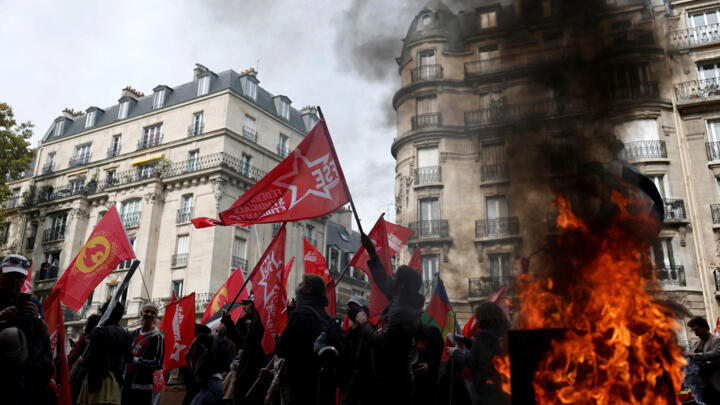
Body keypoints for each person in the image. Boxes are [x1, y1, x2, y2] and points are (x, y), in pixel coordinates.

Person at [354, 234, 424, 405]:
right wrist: (372, 253)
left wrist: (363, 323)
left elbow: (382, 342)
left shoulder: (403, 313)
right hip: (390, 380)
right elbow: (383, 280)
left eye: (395, 276)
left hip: (392, 385)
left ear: (401, 286)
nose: (391, 277)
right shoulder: (400, 301)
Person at [276, 274, 343, 405]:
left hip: (298, 385)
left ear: (308, 289)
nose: (298, 287)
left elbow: (282, 348)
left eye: (301, 284)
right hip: (321, 387)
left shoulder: (300, 316)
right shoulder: (329, 320)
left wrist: (278, 339)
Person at [0, 254, 54, 405]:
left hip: (25, 383)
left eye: (20, 277)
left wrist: (36, 317)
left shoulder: (33, 303)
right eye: (11, 276)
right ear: (1, 273)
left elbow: (44, 334)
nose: (15, 281)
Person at [449, 301, 510, 405]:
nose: (476, 320)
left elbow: (471, 362)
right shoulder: (504, 333)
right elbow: (483, 351)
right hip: (503, 390)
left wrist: (455, 352)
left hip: (486, 391)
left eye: (477, 317)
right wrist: (464, 340)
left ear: (483, 317)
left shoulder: (483, 336)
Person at [78, 300, 130, 405]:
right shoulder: (124, 333)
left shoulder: (99, 331)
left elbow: (92, 357)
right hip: (114, 381)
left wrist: (81, 361)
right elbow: (129, 358)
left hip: (98, 380)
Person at [221, 298, 268, 405]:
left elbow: (249, 351)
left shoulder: (259, 324)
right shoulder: (252, 323)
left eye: (247, 304)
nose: (244, 307)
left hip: (251, 381)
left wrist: (239, 381)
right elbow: (244, 344)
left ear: (255, 305)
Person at [123, 303, 164, 405]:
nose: (149, 314)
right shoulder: (135, 332)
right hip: (127, 381)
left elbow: (157, 362)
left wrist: (136, 360)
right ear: (141, 313)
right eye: (147, 311)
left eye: (153, 312)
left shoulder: (157, 337)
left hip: (143, 385)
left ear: (156, 316)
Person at [185, 326, 235, 405]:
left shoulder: (221, 342)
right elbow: (200, 337)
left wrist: (189, 351)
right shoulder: (223, 343)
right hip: (214, 379)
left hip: (211, 378)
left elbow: (200, 337)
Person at [343, 296, 373, 405]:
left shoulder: (368, 331)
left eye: (355, 307)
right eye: (349, 307)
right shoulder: (348, 332)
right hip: (346, 383)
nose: (351, 309)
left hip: (360, 388)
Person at [686, 316, 720, 404]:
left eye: (697, 330)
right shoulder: (697, 343)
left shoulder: (716, 341)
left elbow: (715, 354)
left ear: (704, 327)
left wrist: (693, 355)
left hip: (716, 384)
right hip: (703, 385)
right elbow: (691, 357)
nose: (696, 333)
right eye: (693, 331)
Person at [413, 322, 444, 405]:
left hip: (426, 384)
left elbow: (440, 356)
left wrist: (430, 365)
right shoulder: (397, 332)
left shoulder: (432, 332)